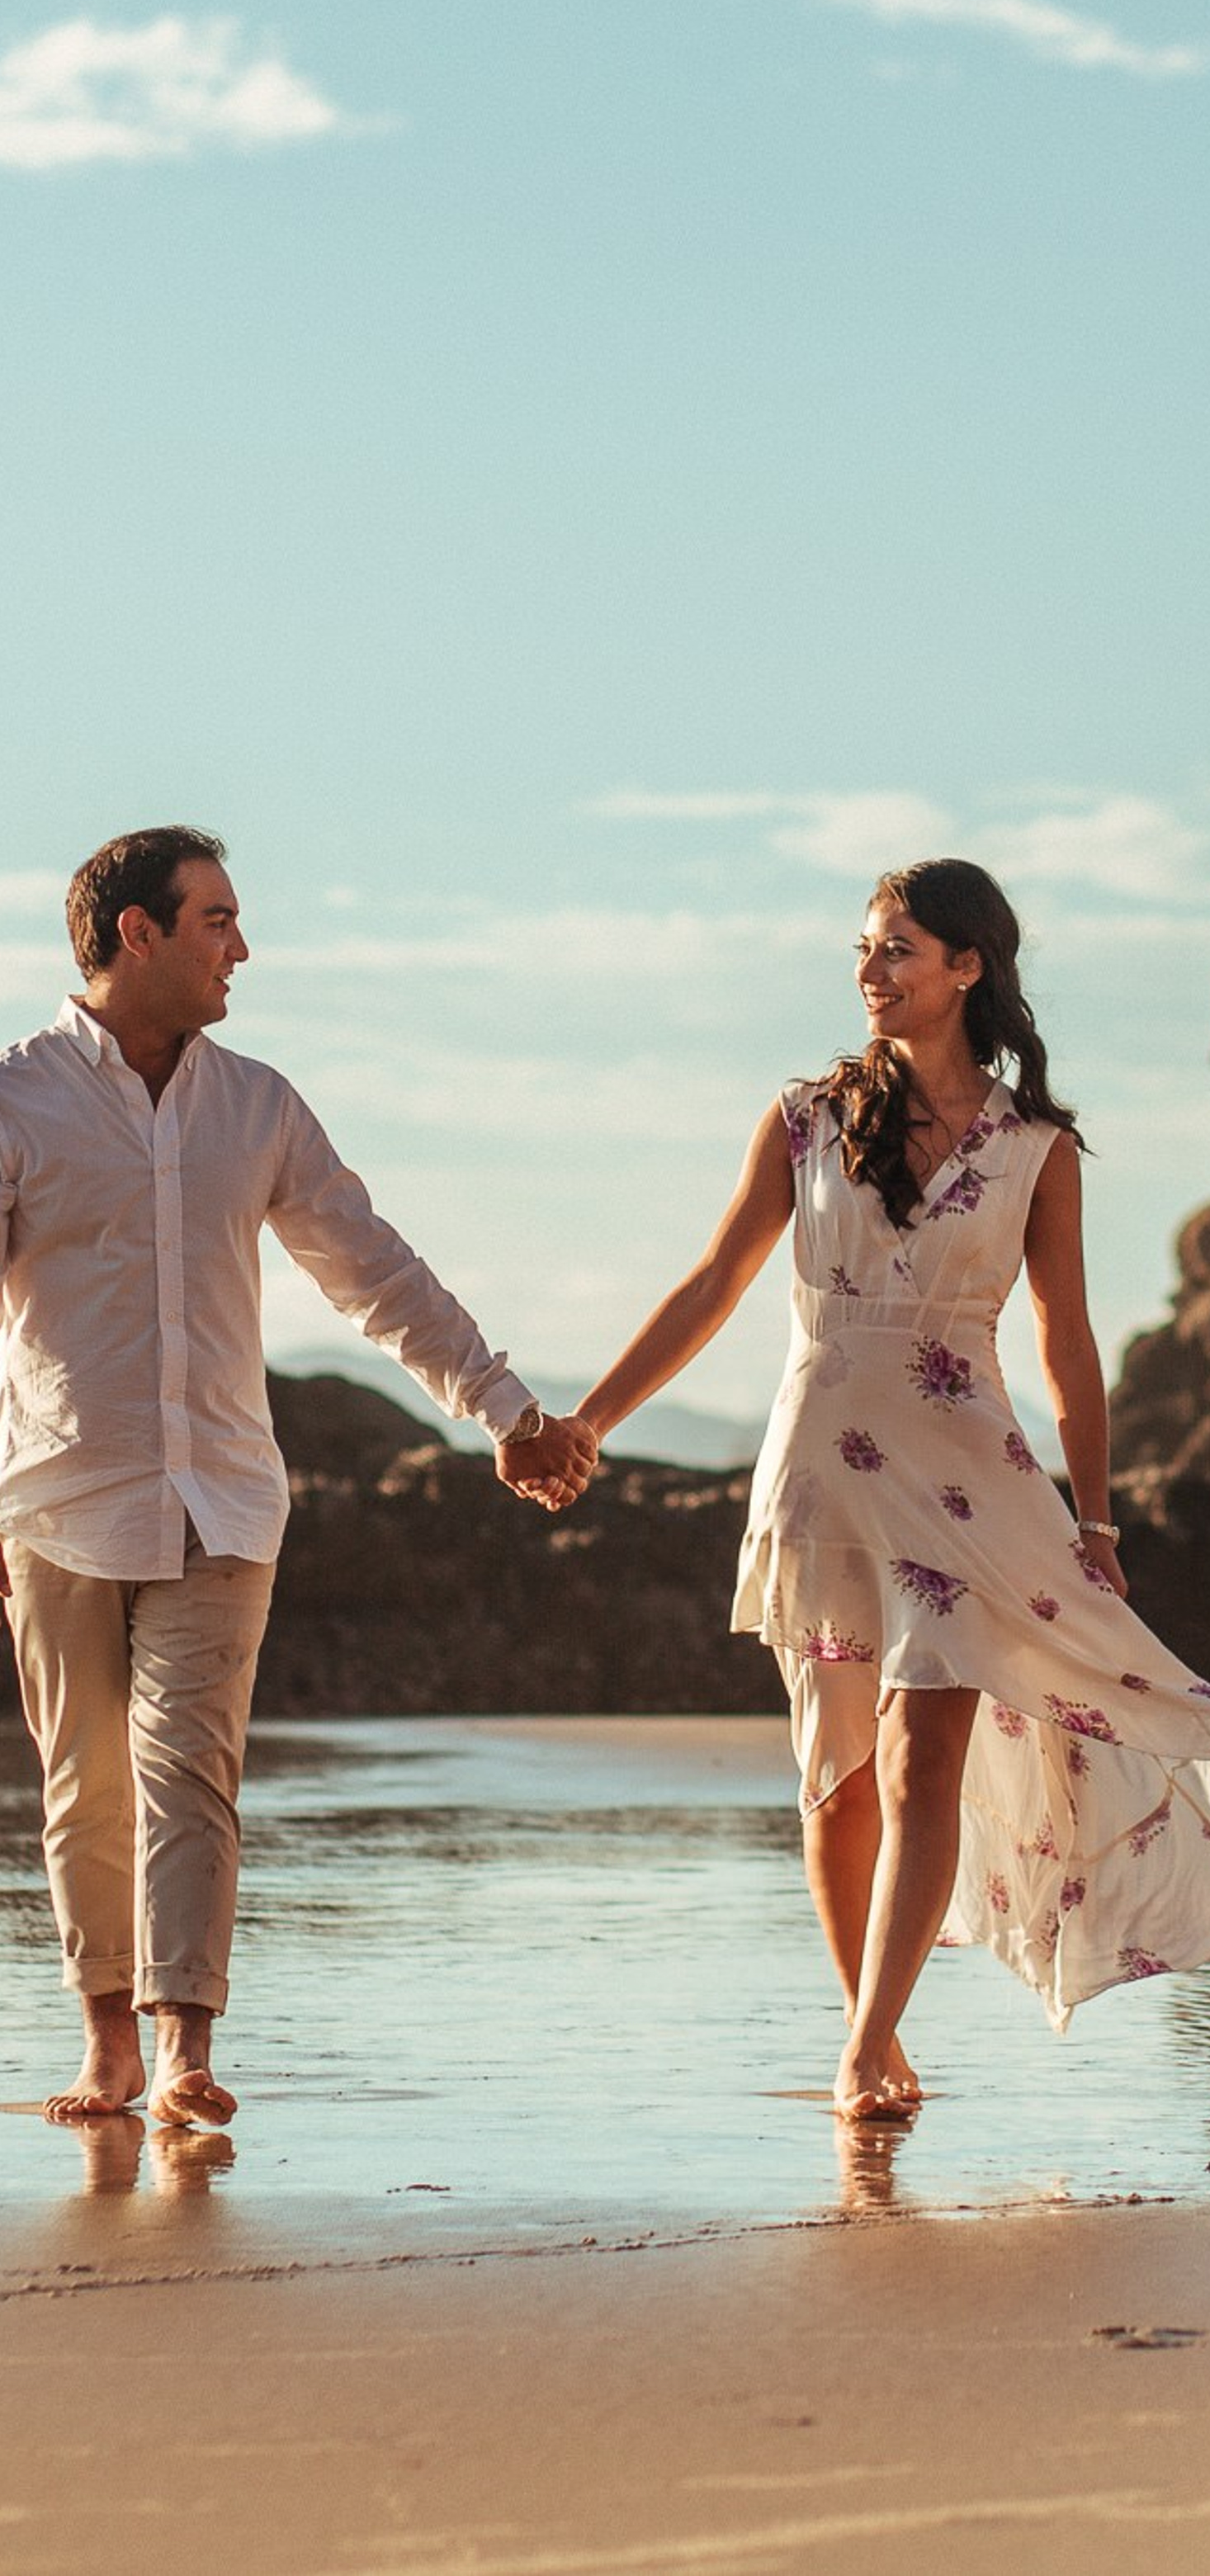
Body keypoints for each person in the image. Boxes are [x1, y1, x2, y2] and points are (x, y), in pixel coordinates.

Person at [567, 857, 1210, 2122]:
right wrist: (589, 1422)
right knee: (838, 1776)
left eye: (897, 950)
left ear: (968, 966)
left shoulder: (1037, 1148)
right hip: (822, 1471)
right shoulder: (805, 1116)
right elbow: (712, 1288)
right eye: (865, 950)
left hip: (970, 1478)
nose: (870, 972)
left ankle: (868, 2045)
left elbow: (1067, 1343)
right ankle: (868, 2024)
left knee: (927, 1756)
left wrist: (1095, 1514)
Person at [0, 827, 596, 2131]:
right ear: (135, 935)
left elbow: (372, 1272)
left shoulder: (258, 1106)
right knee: (86, 1778)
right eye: (217, 920)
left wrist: (502, 1407)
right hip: (55, 1499)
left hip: (224, 1493)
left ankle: (182, 2052)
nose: (243, 949)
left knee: (189, 1766)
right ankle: (106, 2043)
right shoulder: (17, 1100)